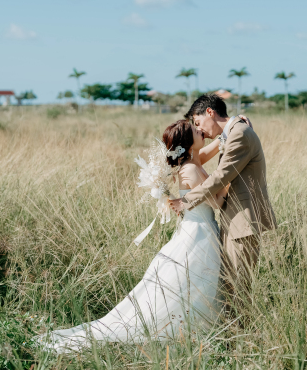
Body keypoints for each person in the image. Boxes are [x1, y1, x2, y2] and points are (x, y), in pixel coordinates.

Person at [36, 119, 227, 353]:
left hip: (199, 229)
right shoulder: (189, 169)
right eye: (195, 130)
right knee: (194, 283)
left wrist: (227, 136)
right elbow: (217, 201)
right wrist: (232, 173)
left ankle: (198, 330)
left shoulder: (192, 161)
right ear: (187, 143)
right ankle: (189, 332)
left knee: (194, 284)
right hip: (199, 233)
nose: (200, 130)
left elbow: (208, 152)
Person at [169, 94, 276, 309]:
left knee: (237, 289)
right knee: (229, 285)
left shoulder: (239, 133)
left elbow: (221, 176)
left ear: (210, 112)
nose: (200, 131)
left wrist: (186, 200)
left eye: (198, 123)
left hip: (243, 221)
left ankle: (240, 339)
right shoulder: (234, 132)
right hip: (232, 220)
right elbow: (207, 153)